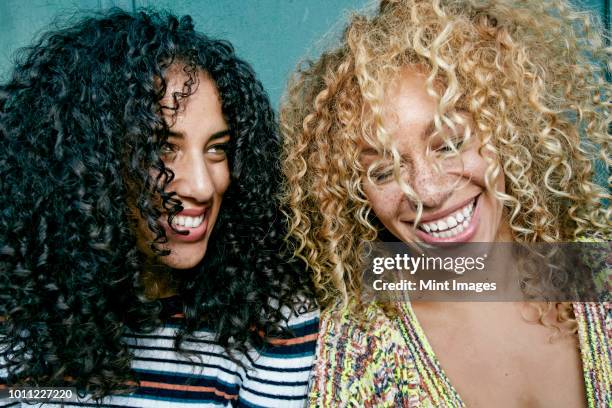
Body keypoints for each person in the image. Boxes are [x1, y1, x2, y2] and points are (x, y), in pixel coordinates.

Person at [281, 0, 610, 406]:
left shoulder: (603, 280)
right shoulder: (358, 356)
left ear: (502, 128)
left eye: (450, 144)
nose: (428, 191)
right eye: (384, 172)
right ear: (356, 192)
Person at [0, 9, 317, 407]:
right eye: (164, 149)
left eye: (217, 148)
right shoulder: (21, 316)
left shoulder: (272, 321)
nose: (203, 186)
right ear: (89, 162)